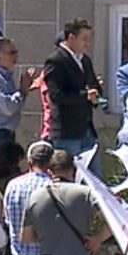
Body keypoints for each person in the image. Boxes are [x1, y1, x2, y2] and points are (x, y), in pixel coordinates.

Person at [43, 18, 103, 158]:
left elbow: (93, 85)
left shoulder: (85, 60)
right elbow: (56, 95)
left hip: (86, 128)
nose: (87, 44)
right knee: (68, 174)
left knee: (93, 177)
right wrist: (85, 95)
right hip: (67, 132)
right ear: (71, 37)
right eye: (84, 39)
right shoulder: (56, 60)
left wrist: (96, 95)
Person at [0, 37, 37, 162]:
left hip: (4, 135)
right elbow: (8, 108)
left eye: (16, 52)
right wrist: (22, 90)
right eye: (11, 53)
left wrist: (23, 90)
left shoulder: (5, 77)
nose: (16, 57)